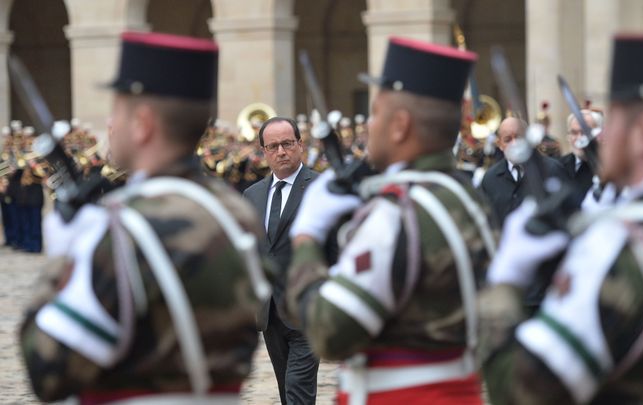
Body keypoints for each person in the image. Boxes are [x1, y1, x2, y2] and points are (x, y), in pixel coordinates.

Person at [19, 31, 269, 403]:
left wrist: (64, 261)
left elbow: (47, 371)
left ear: (143, 123)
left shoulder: (125, 229)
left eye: (116, 110)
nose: (109, 124)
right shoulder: (236, 211)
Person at [476, 33, 643, 404]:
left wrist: (505, 281)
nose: (602, 138)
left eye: (614, 121)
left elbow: (522, 390)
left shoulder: (618, 250)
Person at [286, 37, 496, 404]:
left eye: (376, 113)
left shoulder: (395, 214)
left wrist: (306, 236)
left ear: (400, 126)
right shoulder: (465, 197)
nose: (369, 125)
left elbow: (326, 332)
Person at [244, 117, 320, 405]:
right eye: (273, 146)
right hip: (271, 312)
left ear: (300, 145)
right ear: (264, 151)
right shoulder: (253, 194)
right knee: (286, 392)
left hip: (307, 308)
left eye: (287, 144)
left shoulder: (321, 188)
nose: (281, 152)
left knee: (297, 389)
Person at [479, 116, 568, 226]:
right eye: (508, 140)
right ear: (500, 145)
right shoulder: (490, 179)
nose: (514, 143)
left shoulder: (552, 169)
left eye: (519, 137)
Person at [559, 110, 602, 210]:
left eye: (585, 132)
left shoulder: (611, 168)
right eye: (574, 133)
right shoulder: (558, 166)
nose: (579, 138)